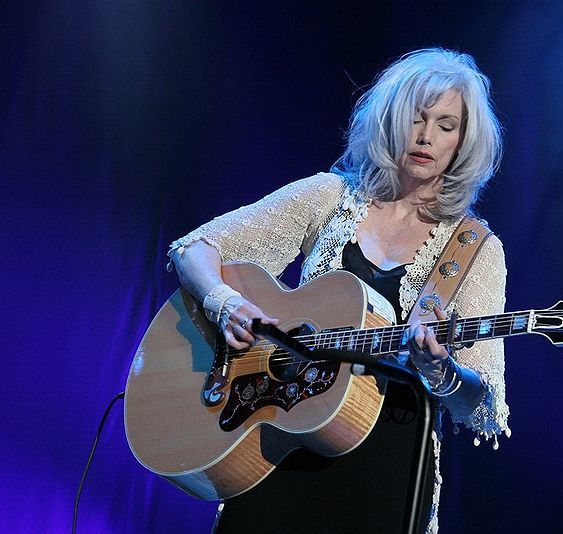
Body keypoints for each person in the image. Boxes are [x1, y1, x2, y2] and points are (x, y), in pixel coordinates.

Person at [168, 48, 510, 533]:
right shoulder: (329, 196)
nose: (427, 136)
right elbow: (194, 249)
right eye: (416, 118)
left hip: (388, 466)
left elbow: (481, 402)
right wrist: (225, 305)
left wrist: (441, 370)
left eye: (446, 125)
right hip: (278, 445)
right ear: (390, 120)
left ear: (463, 141)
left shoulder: (474, 248)